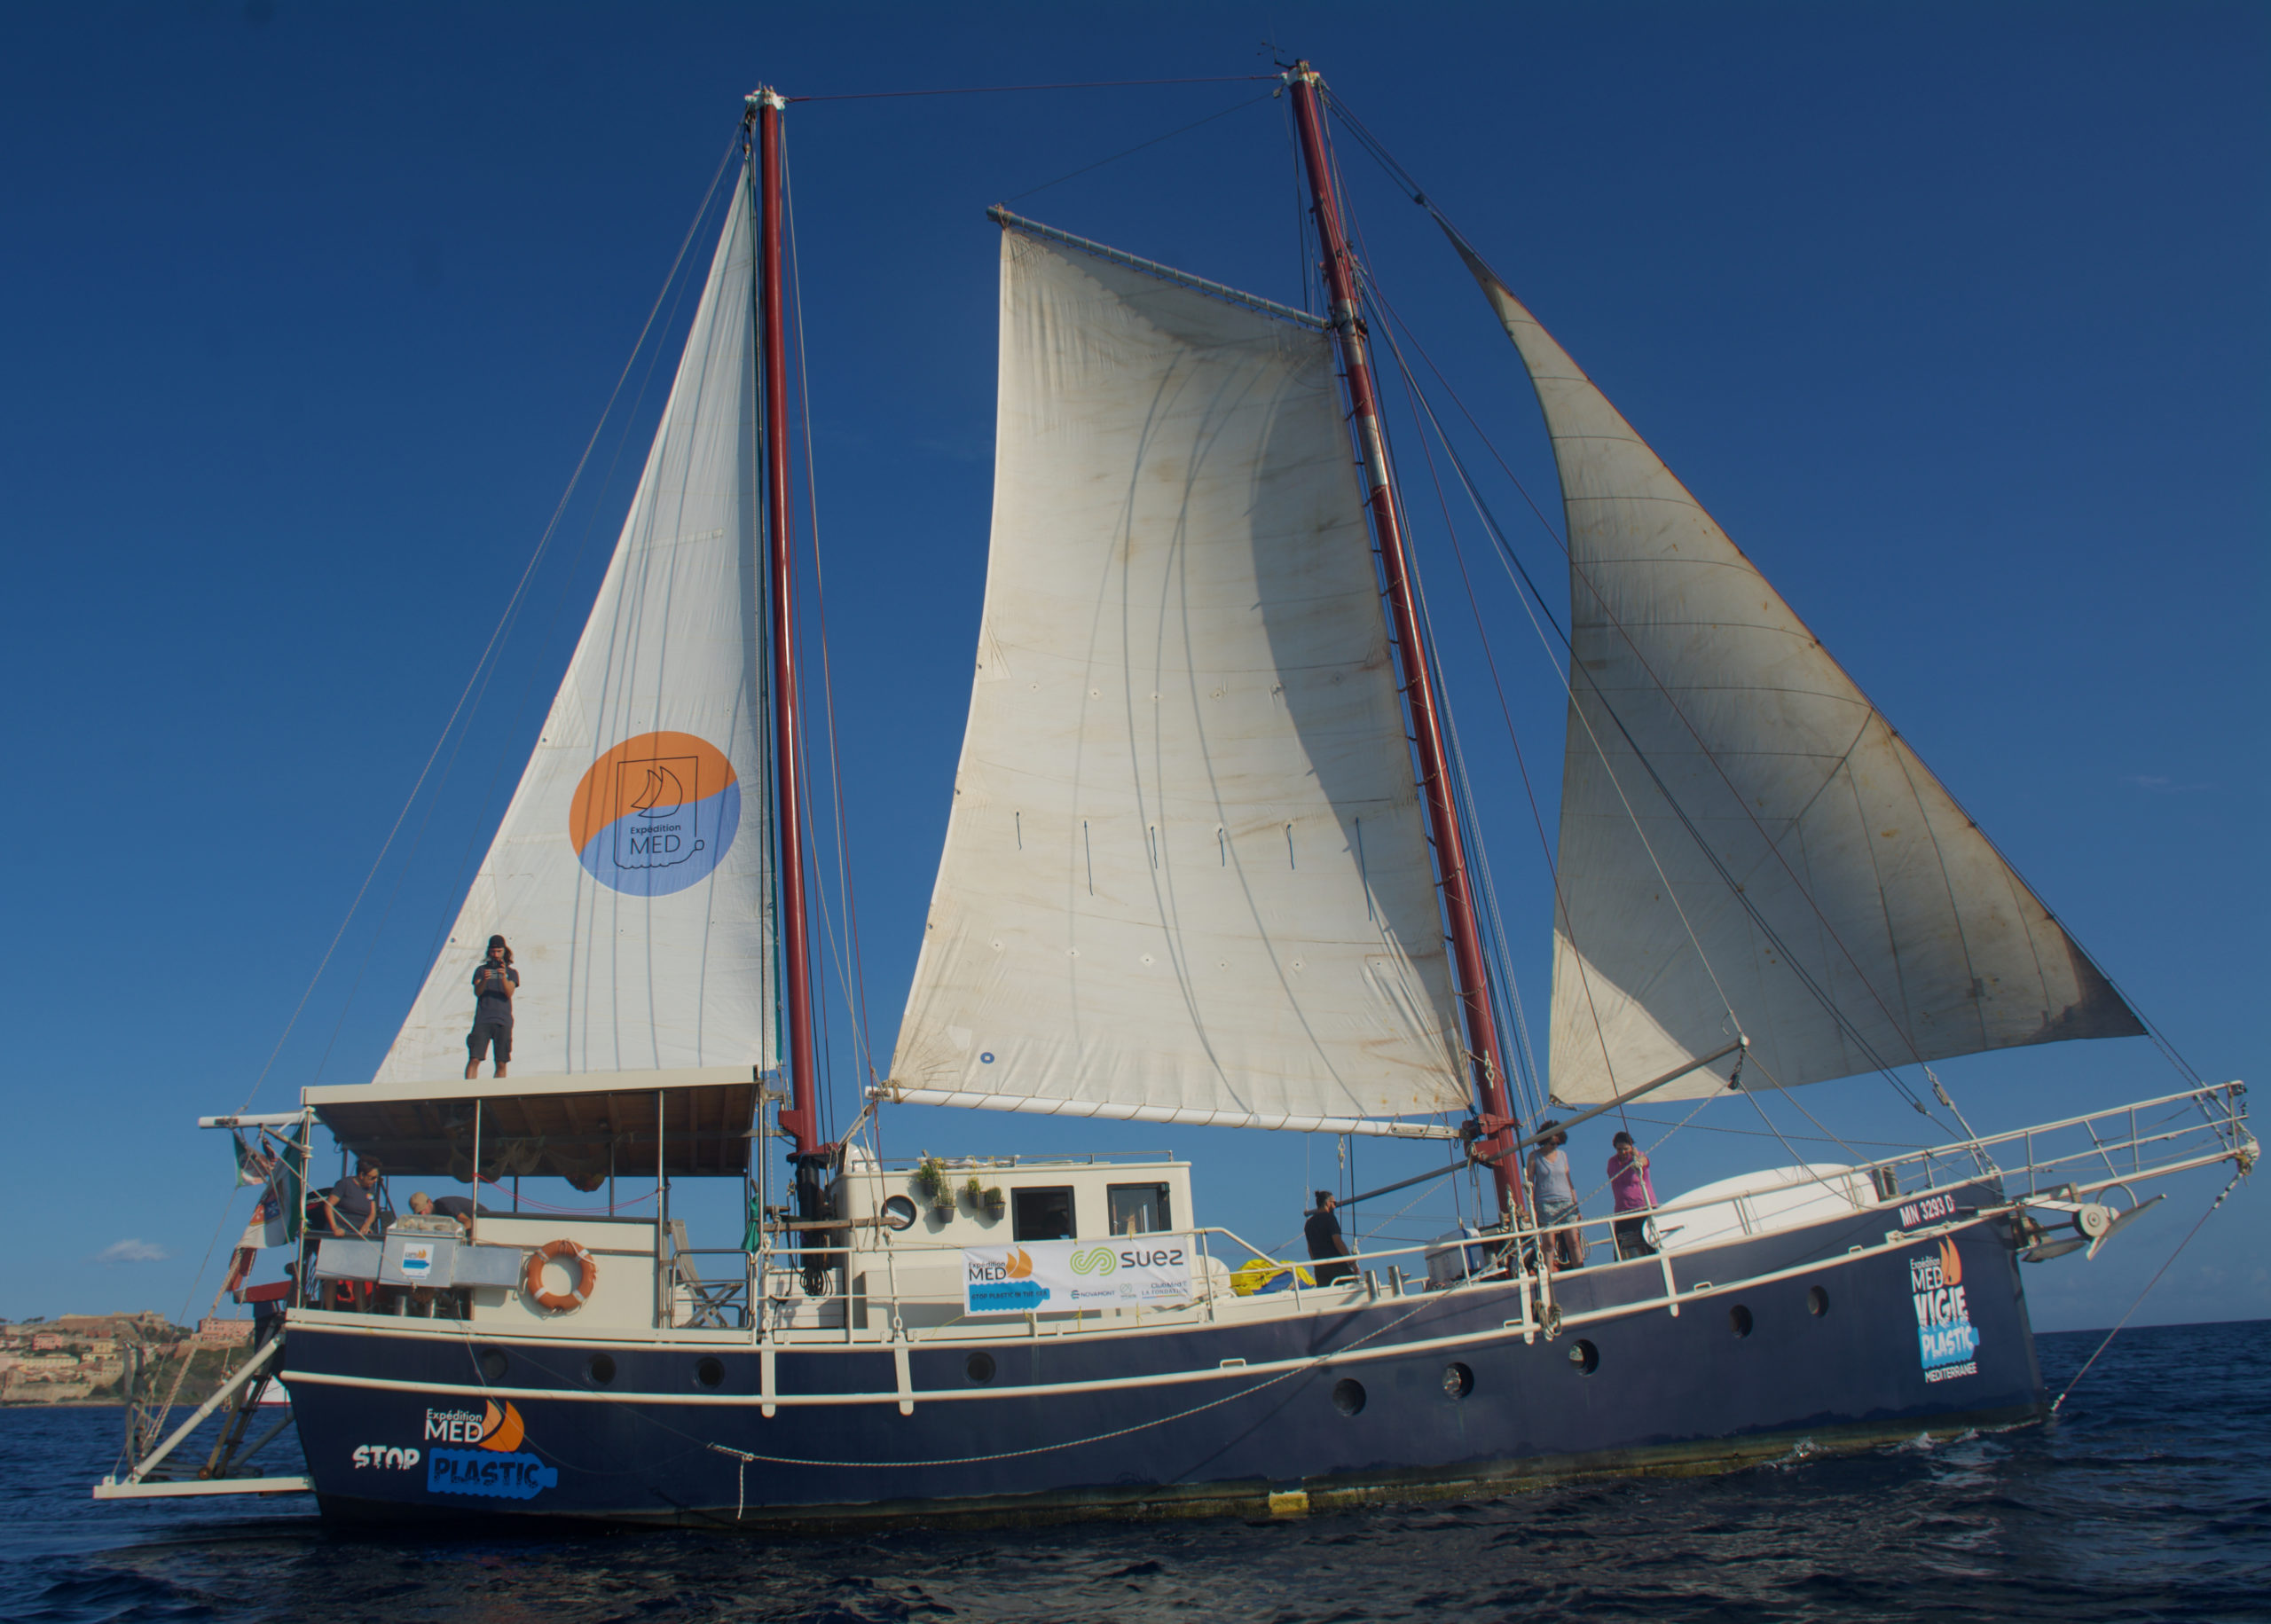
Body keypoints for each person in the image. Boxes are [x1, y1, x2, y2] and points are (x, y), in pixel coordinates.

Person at [1528, 1123, 1584, 1271]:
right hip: (1545, 1203)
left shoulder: (1562, 1156)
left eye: (1558, 1143)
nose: (1555, 1146)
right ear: (1545, 1140)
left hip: (1566, 1201)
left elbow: (1568, 1180)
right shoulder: (1534, 1156)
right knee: (1549, 1245)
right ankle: (1549, 1275)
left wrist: (1576, 1204)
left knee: (1573, 1241)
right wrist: (1532, 1208)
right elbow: (1530, 1183)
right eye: (1552, 1143)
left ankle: (1580, 1270)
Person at [465, 935, 519, 1080]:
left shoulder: (512, 973)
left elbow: (509, 992)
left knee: (501, 1061)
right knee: (475, 1058)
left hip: (503, 1021)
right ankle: (469, 1091)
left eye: (499, 951)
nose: (495, 955)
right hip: (483, 1020)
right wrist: (485, 980)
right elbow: (477, 992)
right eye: (493, 951)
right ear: (489, 952)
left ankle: (498, 1093)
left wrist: (502, 977)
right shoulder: (481, 971)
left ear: (504, 951)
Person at [1607, 1130, 1659, 1259]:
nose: (1623, 1152)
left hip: (1642, 1207)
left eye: (1626, 1149)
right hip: (1623, 1211)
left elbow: (1644, 1161)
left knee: (1649, 1241)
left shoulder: (1638, 1156)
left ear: (1631, 1147)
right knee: (1620, 1247)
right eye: (1620, 1149)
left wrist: (1637, 1160)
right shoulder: (1612, 1162)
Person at [1303, 1189, 1356, 1286]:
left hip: (1320, 1269)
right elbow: (1338, 1242)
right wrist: (1352, 1263)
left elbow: (1310, 1250)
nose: (1335, 1206)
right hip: (1336, 1266)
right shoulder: (1330, 1218)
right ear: (1328, 1203)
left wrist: (1317, 1265)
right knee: (1349, 1289)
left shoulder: (1308, 1224)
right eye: (1334, 1203)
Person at [324, 1158, 385, 1238]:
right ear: (362, 1175)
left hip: (358, 1233)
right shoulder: (344, 1184)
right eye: (372, 1178)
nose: (375, 1180)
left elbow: (373, 1212)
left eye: (377, 1177)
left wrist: (367, 1225)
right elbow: (328, 1205)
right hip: (341, 1231)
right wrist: (335, 1228)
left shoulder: (371, 1188)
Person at [408, 1190, 476, 1233]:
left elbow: (469, 1222)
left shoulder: (445, 1206)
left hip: (482, 1222)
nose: (423, 1214)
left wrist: (455, 1234)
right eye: (419, 1213)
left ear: (429, 1202)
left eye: (423, 1209)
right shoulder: (436, 1216)